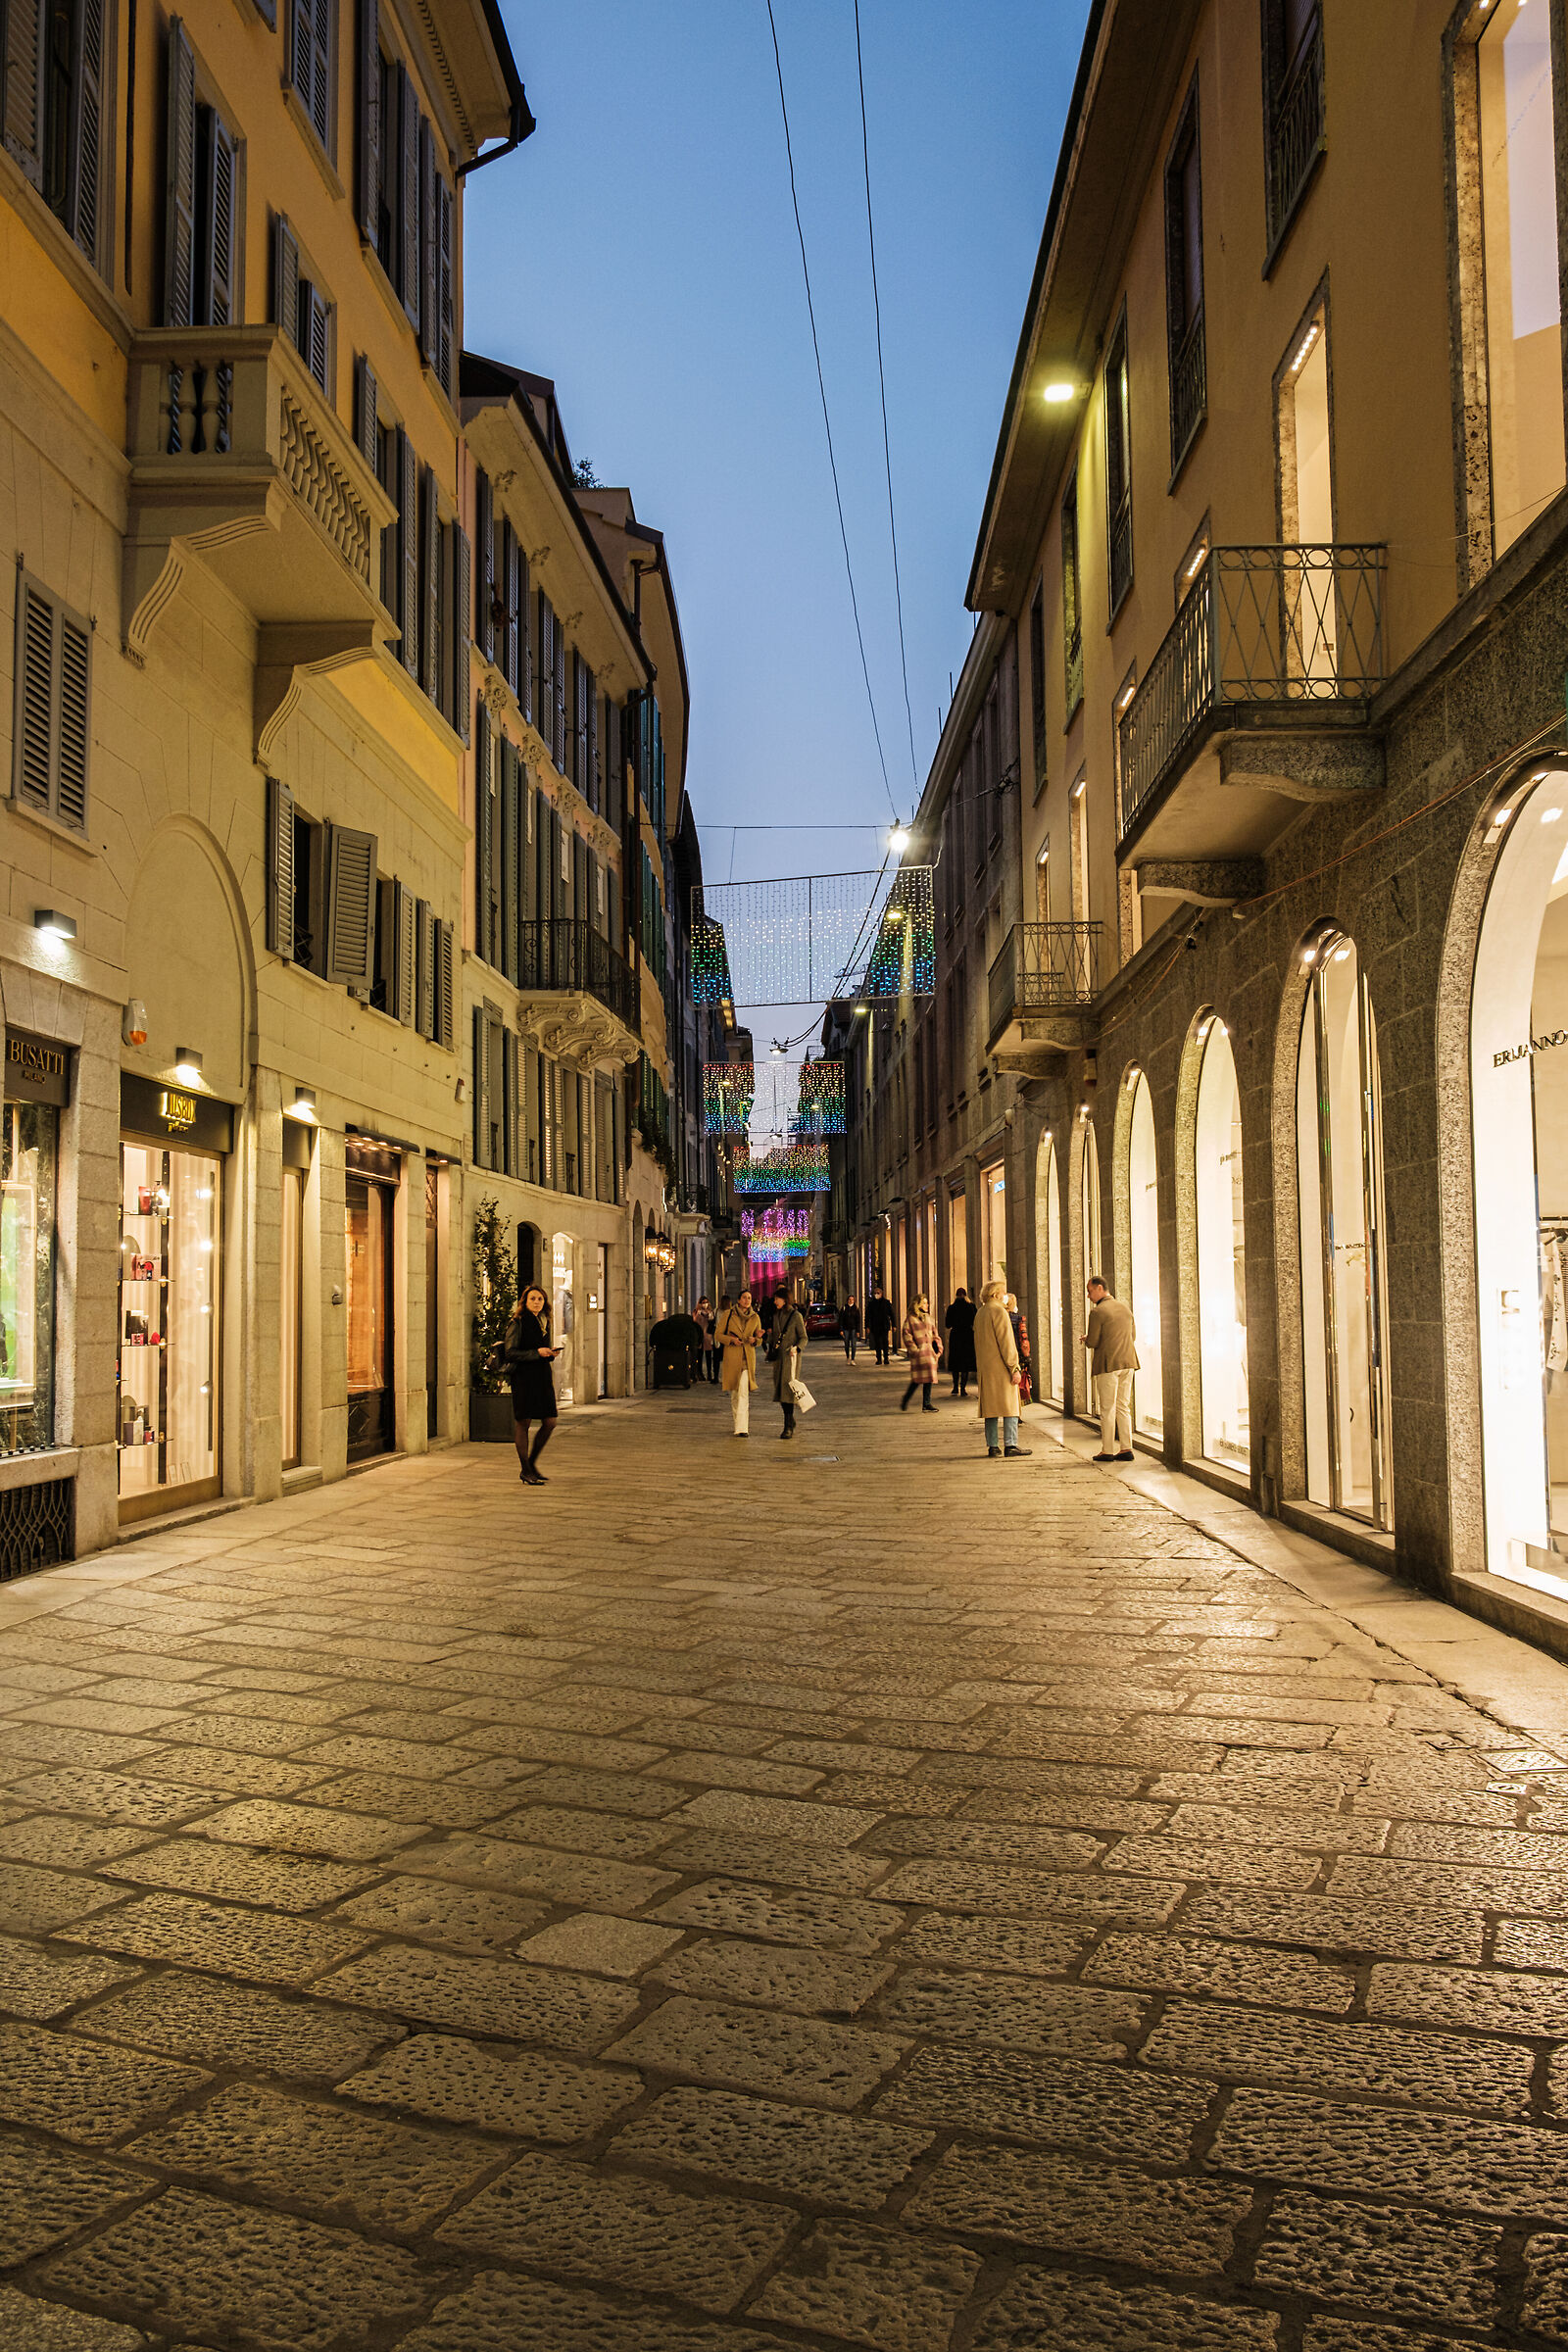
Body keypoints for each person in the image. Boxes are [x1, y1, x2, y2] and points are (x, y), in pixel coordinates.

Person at [500, 1284, 561, 1485]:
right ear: (525, 1302)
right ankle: (526, 1470)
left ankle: (531, 1464)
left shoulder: (543, 1321)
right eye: (533, 1299)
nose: (536, 1302)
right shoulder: (518, 1322)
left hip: (542, 1377)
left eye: (540, 1299)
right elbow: (510, 1352)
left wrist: (549, 1353)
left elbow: (540, 1350)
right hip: (524, 1378)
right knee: (523, 1422)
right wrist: (537, 1353)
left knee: (550, 1421)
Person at [1083, 1275, 1139, 1461]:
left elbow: (1093, 1341)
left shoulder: (1098, 1312)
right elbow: (1133, 1336)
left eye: (1090, 1292)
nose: (1088, 1296)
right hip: (1128, 1362)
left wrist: (1086, 1338)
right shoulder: (1125, 1308)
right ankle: (1126, 1448)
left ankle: (1107, 1450)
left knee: (1107, 1408)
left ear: (1100, 1288)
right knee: (1123, 1406)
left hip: (1108, 1364)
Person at [975, 1278, 1032, 1459]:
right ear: (996, 1294)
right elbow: (1006, 1341)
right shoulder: (999, 1311)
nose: (1005, 1295)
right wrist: (1014, 1367)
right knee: (1010, 1407)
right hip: (1001, 1367)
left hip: (986, 1367)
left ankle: (993, 1446)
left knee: (990, 1408)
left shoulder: (981, 1312)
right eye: (1003, 1292)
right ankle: (1011, 1444)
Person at [716, 1288, 762, 1436]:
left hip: (747, 1359)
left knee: (743, 1392)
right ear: (738, 1300)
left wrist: (755, 1339)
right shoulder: (728, 1315)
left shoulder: (755, 1317)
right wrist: (731, 1340)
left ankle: (742, 1428)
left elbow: (759, 1339)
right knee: (735, 1394)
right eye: (744, 1298)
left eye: (749, 1298)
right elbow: (718, 1335)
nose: (747, 1300)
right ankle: (738, 1423)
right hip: (732, 1358)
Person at [770, 1286, 808, 1439]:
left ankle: (787, 1427)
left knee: (788, 1391)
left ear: (784, 1299)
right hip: (778, 1360)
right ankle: (790, 1420)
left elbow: (804, 1337)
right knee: (780, 1392)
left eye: (776, 1299)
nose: (774, 1302)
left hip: (791, 1360)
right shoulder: (776, 1315)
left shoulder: (796, 1316)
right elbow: (775, 1336)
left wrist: (797, 1348)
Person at [900, 1294, 943, 1412]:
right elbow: (907, 1335)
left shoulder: (928, 1318)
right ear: (917, 1304)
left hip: (929, 1353)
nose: (927, 1305)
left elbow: (935, 1333)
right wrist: (915, 1350)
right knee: (918, 1379)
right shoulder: (911, 1319)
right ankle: (907, 1399)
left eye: (927, 1302)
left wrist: (938, 1348)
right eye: (924, 1303)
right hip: (919, 1354)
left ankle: (926, 1404)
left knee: (928, 1378)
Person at [944, 1287, 977, 1397]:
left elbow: (947, 1324)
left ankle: (954, 1387)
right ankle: (963, 1388)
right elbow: (975, 1321)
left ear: (956, 1295)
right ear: (966, 1295)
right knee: (965, 1364)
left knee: (955, 1363)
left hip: (956, 1336)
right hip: (967, 1335)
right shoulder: (971, 1307)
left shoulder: (952, 1308)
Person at [1004, 1292, 1033, 1405]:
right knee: (1019, 1383)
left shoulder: (1002, 1318)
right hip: (1018, 1354)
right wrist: (1026, 1356)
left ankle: (1009, 1407)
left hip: (1006, 1353)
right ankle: (1017, 1410)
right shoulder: (1019, 1319)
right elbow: (1024, 1337)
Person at [865, 1287, 896, 1366]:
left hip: (884, 1325)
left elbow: (892, 1314)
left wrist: (894, 1325)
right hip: (875, 1326)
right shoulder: (871, 1304)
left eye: (878, 1293)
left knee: (885, 1342)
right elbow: (867, 1316)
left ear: (881, 1294)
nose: (876, 1295)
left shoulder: (886, 1303)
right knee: (877, 1343)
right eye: (875, 1293)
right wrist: (867, 1326)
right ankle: (879, 1359)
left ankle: (886, 1358)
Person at [840, 1295, 862, 1363]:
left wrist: (858, 1331)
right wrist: (841, 1329)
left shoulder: (856, 1309)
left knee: (853, 1344)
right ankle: (847, 1357)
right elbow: (840, 1319)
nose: (850, 1301)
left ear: (854, 1300)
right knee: (846, 1343)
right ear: (847, 1300)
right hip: (845, 1328)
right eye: (849, 1299)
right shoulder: (844, 1308)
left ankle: (852, 1359)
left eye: (852, 1300)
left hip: (853, 1328)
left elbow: (858, 1320)